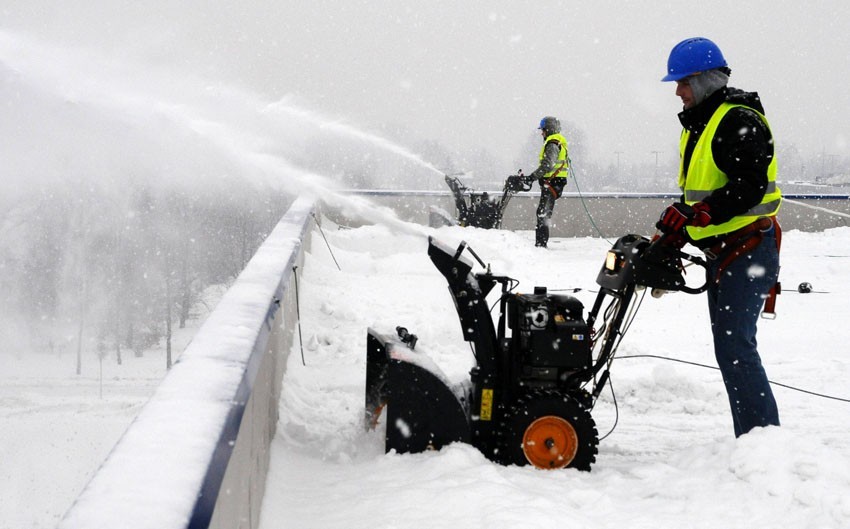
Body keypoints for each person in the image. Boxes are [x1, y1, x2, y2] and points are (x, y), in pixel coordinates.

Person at [655, 37, 782, 437]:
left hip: (748, 249)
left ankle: (764, 443)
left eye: (684, 83)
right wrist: (678, 229)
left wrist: (704, 213)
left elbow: (748, 186)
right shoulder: (702, 125)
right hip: (723, 252)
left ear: (707, 80)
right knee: (729, 349)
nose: (678, 91)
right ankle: (752, 440)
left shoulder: (737, 121)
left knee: (736, 348)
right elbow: (700, 191)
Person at [525, 116, 570, 248]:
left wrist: (532, 177)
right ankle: (540, 243)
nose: (542, 133)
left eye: (543, 130)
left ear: (549, 129)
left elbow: (548, 165)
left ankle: (541, 244)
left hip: (552, 183)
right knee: (542, 212)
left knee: (542, 213)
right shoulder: (557, 142)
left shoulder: (552, 143)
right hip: (553, 182)